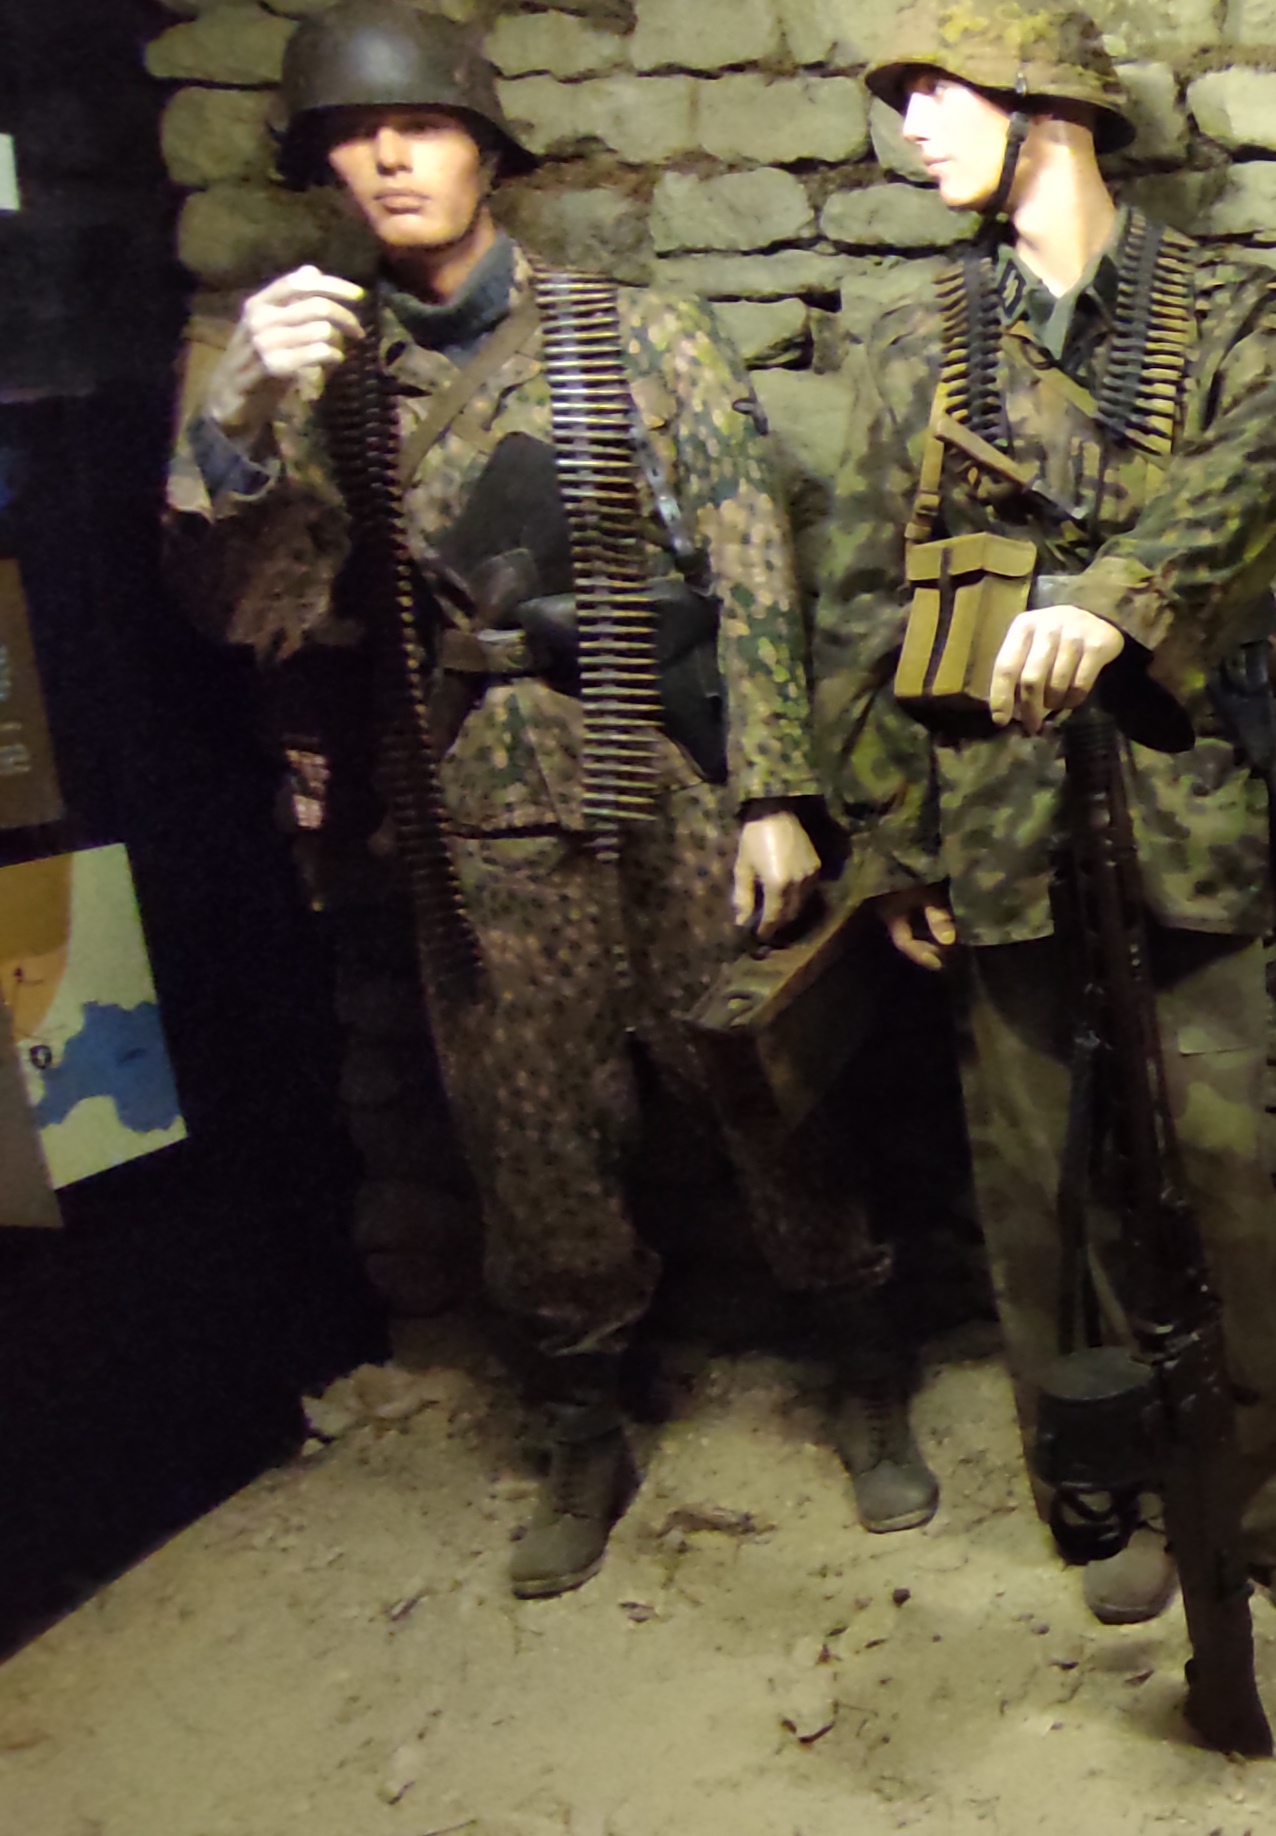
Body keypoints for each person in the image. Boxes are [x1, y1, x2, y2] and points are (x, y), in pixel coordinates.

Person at [162, 0, 927, 1599]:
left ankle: (862, 1368)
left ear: (487, 148)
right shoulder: (303, 379)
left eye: (421, 127)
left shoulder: (634, 337)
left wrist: (778, 790)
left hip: (673, 781)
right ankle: (584, 1422)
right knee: (531, 1140)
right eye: (353, 139)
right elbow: (250, 615)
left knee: (770, 1090)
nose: (389, 157)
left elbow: (751, 563)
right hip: (473, 811)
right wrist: (232, 425)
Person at [809, 1, 1276, 1633]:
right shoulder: (912, 343)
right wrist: (892, 838)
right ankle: (1101, 1493)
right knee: (1035, 1185)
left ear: (1046, 106)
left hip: (1179, 805)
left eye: (940, 90)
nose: (913, 123)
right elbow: (858, 606)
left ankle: (1270, 1503)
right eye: (903, 96)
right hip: (991, 814)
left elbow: (1257, 472)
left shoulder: (1227, 312)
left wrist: (1113, 599)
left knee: (1218, 1178)